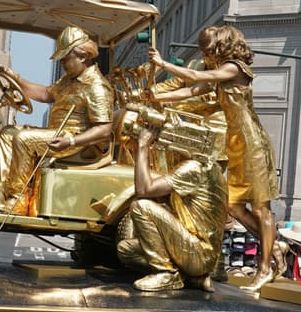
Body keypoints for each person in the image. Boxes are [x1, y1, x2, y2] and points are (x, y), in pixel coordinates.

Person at [149, 25, 280, 292]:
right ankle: (275, 247)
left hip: (253, 142)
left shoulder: (235, 68)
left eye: (209, 50)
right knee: (232, 207)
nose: (206, 55)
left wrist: (163, 63)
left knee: (261, 208)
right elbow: (190, 91)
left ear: (221, 46)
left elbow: (196, 74)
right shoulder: (220, 73)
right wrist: (156, 97)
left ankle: (265, 268)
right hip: (235, 144)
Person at [0, 26, 115, 214]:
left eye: (65, 59)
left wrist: (70, 141)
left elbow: (103, 130)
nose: (62, 64)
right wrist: (15, 78)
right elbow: (46, 94)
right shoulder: (68, 80)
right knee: (8, 133)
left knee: (24, 139)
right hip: (57, 134)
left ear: (83, 57)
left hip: (75, 140)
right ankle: (1, 191)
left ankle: (17, 199)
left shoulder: (97, 87)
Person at [115, 126, 227, 292]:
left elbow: (143, 190)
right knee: (125, 250)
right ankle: (190, 277)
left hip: (199, 253)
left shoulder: (194, 168)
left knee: (140, 207)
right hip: (195, 249)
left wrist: (143, 146)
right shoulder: (208, 166)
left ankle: (166, 273)